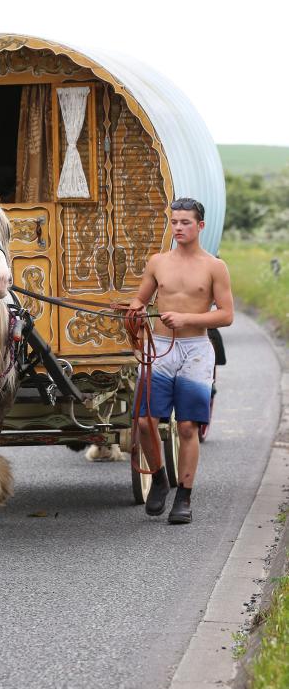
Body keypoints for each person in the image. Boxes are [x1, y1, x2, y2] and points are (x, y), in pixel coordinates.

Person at [129, 198, 234, 524]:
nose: (178, 228)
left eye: (185, 222)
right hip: (160, 349)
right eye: (174, 222)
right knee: (146, 421)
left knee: (187, 426)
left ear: (200, 226)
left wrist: (187, 317)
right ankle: (159, 479)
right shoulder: (158, 262)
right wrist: (134, 310)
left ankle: (184, 497)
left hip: (195, 351)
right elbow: (140, 298)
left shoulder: (214, 266)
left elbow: (227, 315)